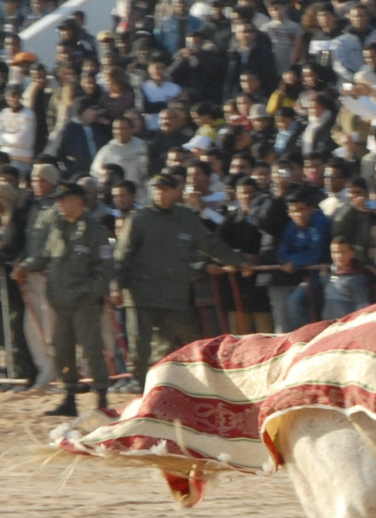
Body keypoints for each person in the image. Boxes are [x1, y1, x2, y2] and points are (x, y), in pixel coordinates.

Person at [113, 172, 248, 390]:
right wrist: (115, 286)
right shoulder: (139, 219)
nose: (160, 194)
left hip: (172, 294)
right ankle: (140, 387)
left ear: (176, 191)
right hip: (140, 294)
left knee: (166, 347)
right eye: (156, 189)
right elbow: (121, 256)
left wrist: (238, 262)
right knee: (139, 348)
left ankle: (161, 389)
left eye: (165, 189)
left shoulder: (186, 218)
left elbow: (210, 244)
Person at [16, 182, 114, 417]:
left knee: (91, 351)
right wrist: (24, 266)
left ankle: (101, 399)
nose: (59, 204)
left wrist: (91, 294)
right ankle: (69, 397)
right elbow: (44, 257)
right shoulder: (58, 227)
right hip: (59, 302)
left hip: (83, 303)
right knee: (63, 351)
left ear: (78, 201)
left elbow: (106, 268)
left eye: (64, 200)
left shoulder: (95, 231)